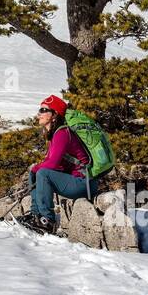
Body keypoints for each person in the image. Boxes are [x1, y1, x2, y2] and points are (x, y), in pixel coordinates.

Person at [19, 94, 92, 234]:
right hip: (77, 181)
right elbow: (56, 164)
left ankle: (47, 221)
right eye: (39, 109)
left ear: (54, 115)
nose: (39, 113)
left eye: (43, 110)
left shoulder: (62, 133)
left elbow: (51, 165)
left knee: (41, 172)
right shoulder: (55, 134)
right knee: (37, 171)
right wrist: (35, 170)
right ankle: (36, 215)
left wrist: (36, 168)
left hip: (84, 183)